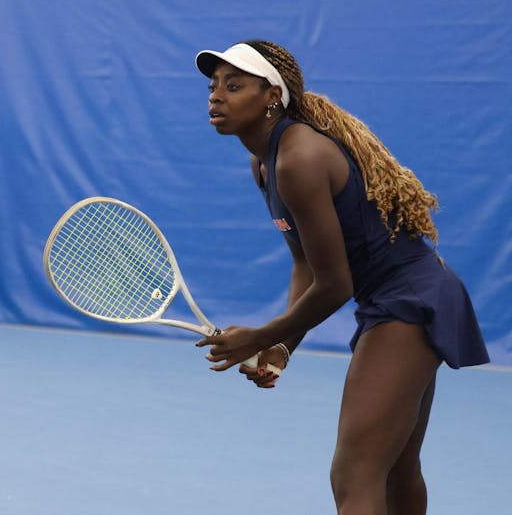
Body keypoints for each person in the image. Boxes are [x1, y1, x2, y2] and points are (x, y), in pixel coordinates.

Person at [191, 41, 489, 514]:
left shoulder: (298, 159)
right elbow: (307, 264)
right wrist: (283, 347)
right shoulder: (265, 164)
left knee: (354, 474)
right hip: (406, 296)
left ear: (272, 95)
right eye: (213, 86)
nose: (216, 96)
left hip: (410, 301)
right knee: (396, 467)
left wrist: (261, 335)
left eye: (234, 85)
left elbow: (336, 285)